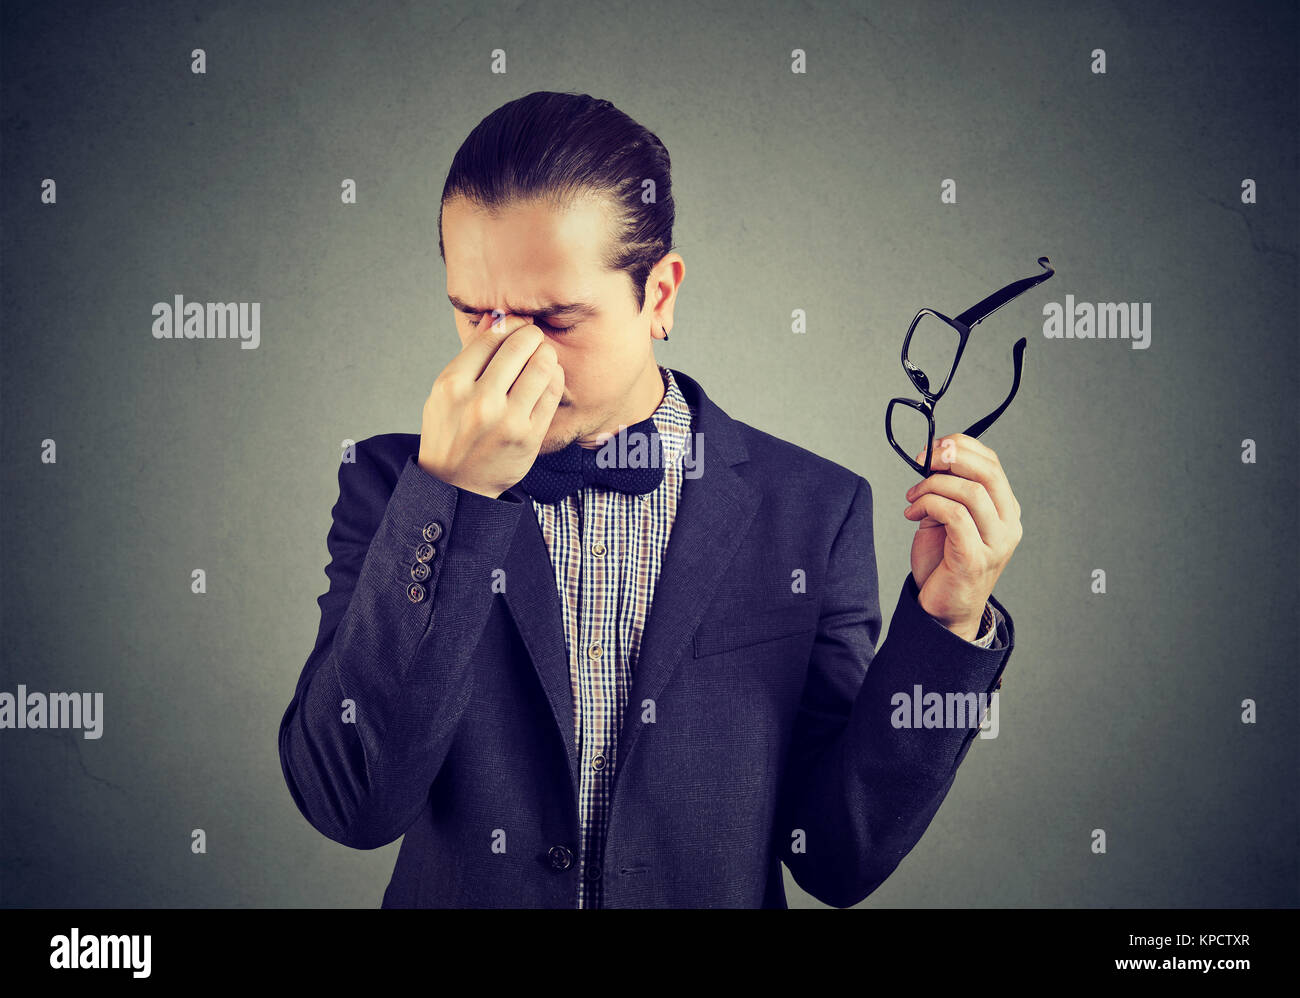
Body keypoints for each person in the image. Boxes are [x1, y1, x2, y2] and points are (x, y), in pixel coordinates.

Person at [278, 91, 1021, 908]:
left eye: (556, 319)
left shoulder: (814, 511)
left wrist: (947, 626)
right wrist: (452, 494)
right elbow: (351, 803)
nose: (509, 354)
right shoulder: (395, 489)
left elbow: (838, 857)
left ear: (659, 296)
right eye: (473, 314)